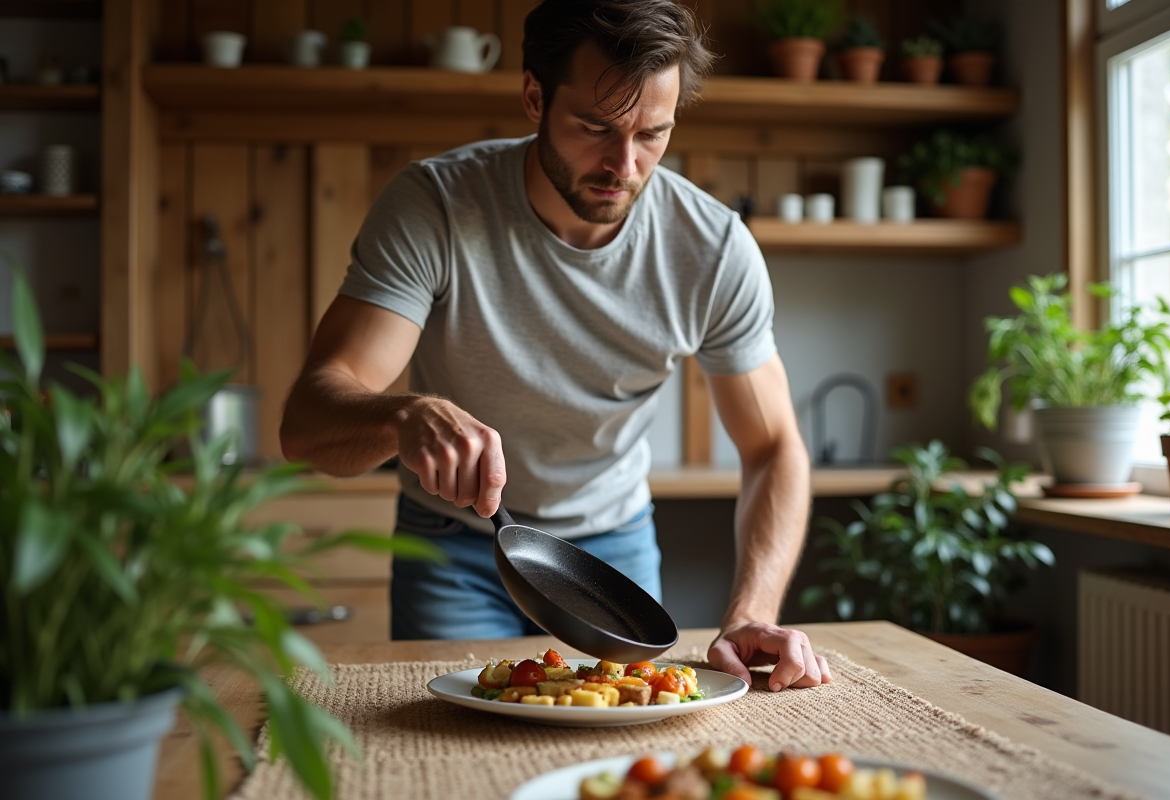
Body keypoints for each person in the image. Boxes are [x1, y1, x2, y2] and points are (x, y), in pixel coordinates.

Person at [280, 0, 831, 691]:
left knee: (623, 755)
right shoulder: (436, 207)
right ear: (535, 96)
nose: (623, 165)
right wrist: (400, 416)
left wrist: (750, 612)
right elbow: (306, 421)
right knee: (448, 760)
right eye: (594, 127)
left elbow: (774, 446)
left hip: (614, 557)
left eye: (652, 134)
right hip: (453, 546)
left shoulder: (713, 249)